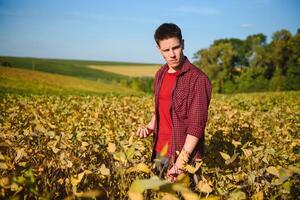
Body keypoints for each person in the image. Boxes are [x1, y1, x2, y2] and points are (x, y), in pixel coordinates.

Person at [136, 23, 212, 182]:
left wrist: (180, 164)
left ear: (183, 44)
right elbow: (162, 109)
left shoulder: (198, 79)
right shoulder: (161, 73)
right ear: (158, 49)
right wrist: (150, 127)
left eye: (176, 48)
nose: (172, 54)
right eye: (166, 50)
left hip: (183, 156)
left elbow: (196, 126)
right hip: (160, 150)